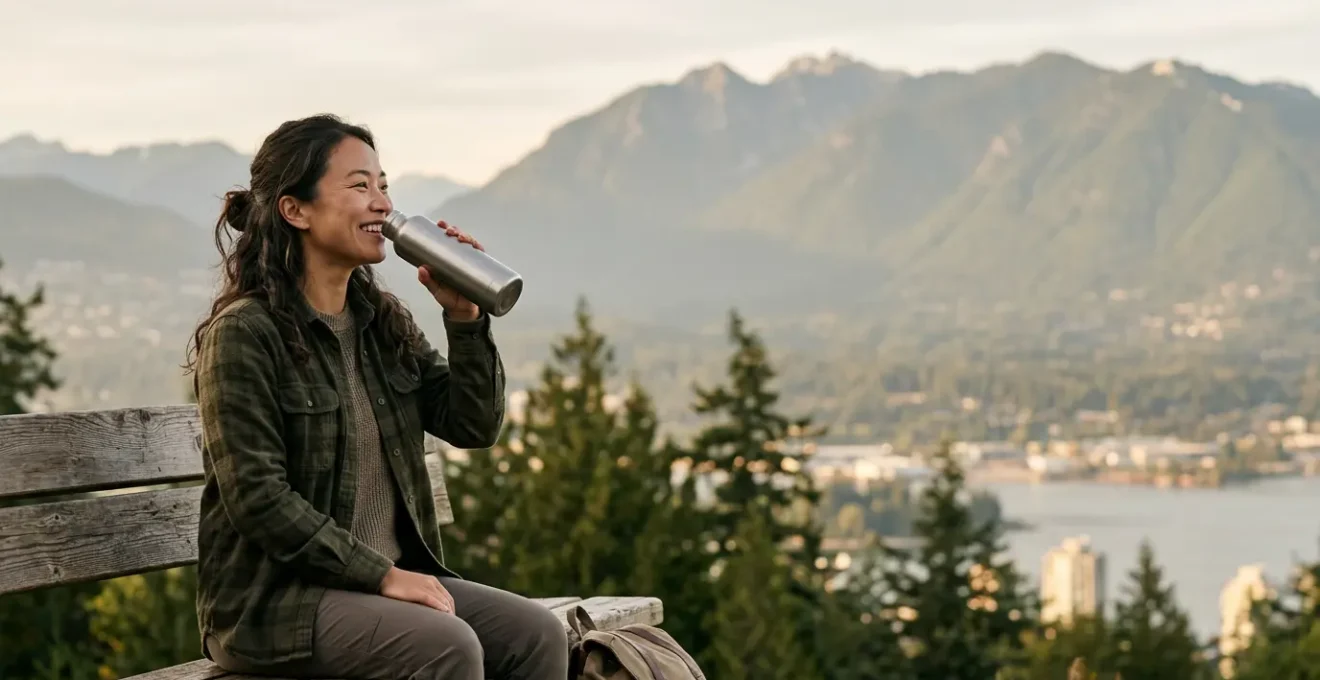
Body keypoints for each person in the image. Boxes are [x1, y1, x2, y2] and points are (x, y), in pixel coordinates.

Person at [185, 114, 568, 680]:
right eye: (360, 186)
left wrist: (463, 317)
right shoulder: (246, 332)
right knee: (448, 647)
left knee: (537, 634)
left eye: (384, 185)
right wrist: (382, 576)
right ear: (296, 211)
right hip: (277, 604)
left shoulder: (379, 323)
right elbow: (258, 497)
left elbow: (473, 425)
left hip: (383, 584)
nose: (382, 204)